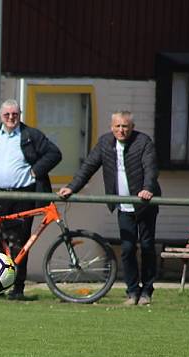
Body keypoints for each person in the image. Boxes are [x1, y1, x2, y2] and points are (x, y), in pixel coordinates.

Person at [58, 110, 161, 305]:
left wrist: (148, 189)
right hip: (123, 205)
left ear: (132, 127)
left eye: (125, 126)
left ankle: (146, 291)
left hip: (144, 205)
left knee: (147, 246)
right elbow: (88, 166)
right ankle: (132, 292)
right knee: (128, 248)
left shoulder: (143, 142)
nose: (121, 130)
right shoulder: (105, 143)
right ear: (111, 126)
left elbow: (151, 168)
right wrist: (72, 187)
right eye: (118, 126)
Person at [0, 99, 62, 299]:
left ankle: (18, 287)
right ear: (1, 116)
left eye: (15, 114)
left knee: (21, 243)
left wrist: (34, 171)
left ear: (19, 114)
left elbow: (54, 154)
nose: (11, 118)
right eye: (7, 115)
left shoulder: (31, 135)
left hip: (23, 195)